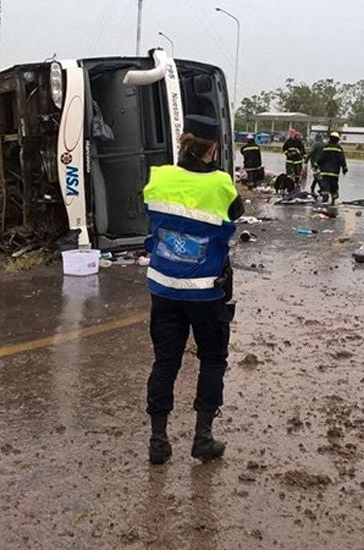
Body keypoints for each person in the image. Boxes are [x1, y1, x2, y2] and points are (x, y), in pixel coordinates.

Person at [142, 114, 245, 465]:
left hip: (164, 288)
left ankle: (158, 441)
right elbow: (236, 213)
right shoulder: (221, 184)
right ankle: (203, 438)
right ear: (213, 148)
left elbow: (152, 220)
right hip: (205, 292)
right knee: (212, 359)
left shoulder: (159, 177)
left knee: (165, 362)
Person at [316, 131, 348, 204]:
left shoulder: (326, 147)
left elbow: (321, 157)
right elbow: (341, 159)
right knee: (334, 184)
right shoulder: (338, 148)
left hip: (324, 171)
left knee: (325, 184)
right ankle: (333, 196)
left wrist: (316, 164)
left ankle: (325, 196)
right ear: (337, 139)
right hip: (334, 172)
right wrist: (344, 168)